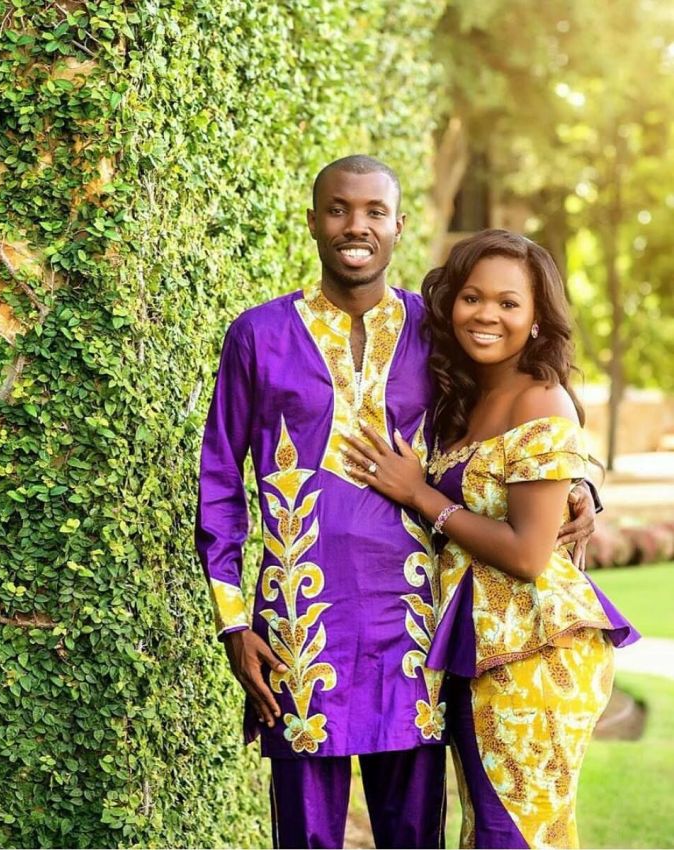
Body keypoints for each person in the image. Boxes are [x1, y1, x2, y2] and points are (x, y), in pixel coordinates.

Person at [195, 158, 595, 849]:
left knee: (414, 837)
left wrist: (582, 483)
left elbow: (520, 408)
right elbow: (221, 481)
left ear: (398, 226)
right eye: (338, 210)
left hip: (413, 636)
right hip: (298, 630)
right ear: (313, 221)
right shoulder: (257, 337)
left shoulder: (435, 332)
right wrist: (233, 622)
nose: (356, 226)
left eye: (375, 212)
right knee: (306, 839)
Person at [342, 229, 638, 850]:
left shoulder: (539, 397)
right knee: (486, 829)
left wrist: (422, 495)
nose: (487, 315)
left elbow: (529, 554)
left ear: (537, 318)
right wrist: (584, 482)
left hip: (536, 654)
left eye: (509, 303)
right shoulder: (463, 393)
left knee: (517, 833)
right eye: (473, 297)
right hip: (482, 648)